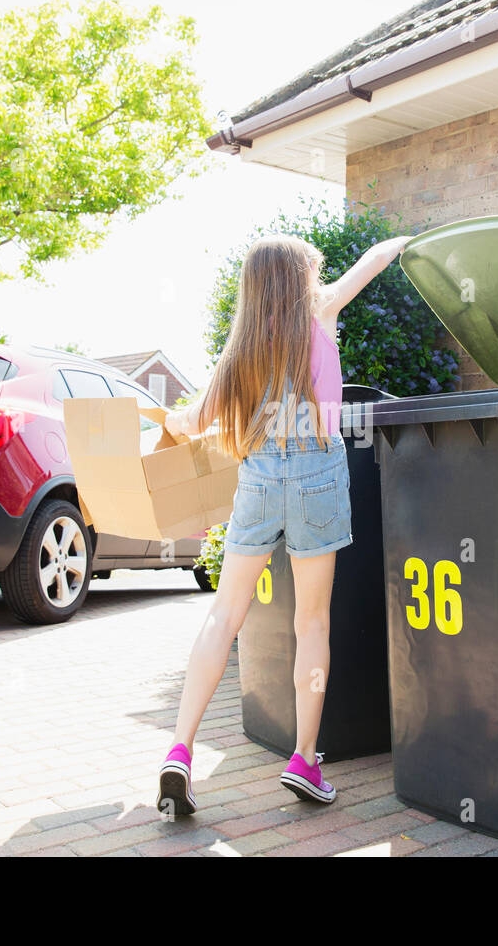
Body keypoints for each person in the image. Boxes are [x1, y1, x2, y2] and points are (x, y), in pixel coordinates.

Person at [155, 232, 411, 815]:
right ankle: (303, 757)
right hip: (319, 477)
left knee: (225, 615)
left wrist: (166, 421)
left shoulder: (239, 351)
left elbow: (193, 422)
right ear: (302, 281)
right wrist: (402, 243)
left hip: (259, 482)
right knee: (311, 622)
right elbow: (370, 263)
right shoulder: (320, 313)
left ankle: (180, 750)